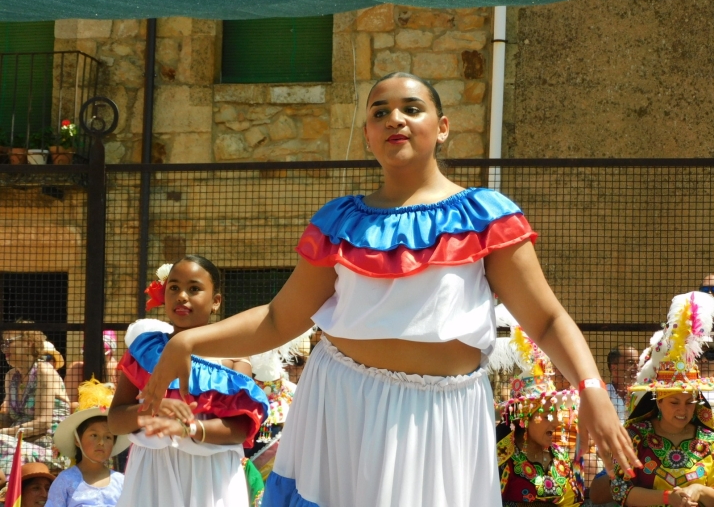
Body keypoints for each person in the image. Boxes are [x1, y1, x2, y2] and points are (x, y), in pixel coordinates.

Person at [138, 72, 640, 506]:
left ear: (442, 128)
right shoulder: (340, 221)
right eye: (380, 112)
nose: (394, 119)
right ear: (367, 135)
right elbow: (279, 319)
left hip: (443, 418)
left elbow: (548, 319)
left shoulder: (485, 216)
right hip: (342, 404)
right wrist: (187, 340)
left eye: (411, 108)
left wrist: (590, 387)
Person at [107, 256, 269, 507]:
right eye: (174, 287)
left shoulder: (234, 358)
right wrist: (152, 409)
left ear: (216, 301)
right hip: (151, 472)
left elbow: (239, 429)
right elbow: (115, 421)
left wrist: (189, 429)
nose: (182, 296)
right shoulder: (145, 350)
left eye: (194, 289)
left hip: (211, 478)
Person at [610, 291, 714, 506]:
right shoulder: (635, 437)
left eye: (689, 402)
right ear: (658, 401)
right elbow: (620, 491)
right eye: (674, 402)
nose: (683, 410)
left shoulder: (710, 440)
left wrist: (700, 490)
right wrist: (668, 498)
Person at [488, 314, 583, 506]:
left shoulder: (560, 457)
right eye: (548, 415)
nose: (556, 422)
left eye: (556, 413)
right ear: (524, 416)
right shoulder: (501, 456)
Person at [46, 379, 129, 507]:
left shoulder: (121, 482)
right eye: (94, 435)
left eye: (108, 437)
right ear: (77, 440)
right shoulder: (65, 480)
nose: (101, 442)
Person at [0, 330, 70, 474]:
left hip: (50, 448)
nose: (4, 348)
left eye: (9, 342)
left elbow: (43, 423)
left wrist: (4, 433)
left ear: (28, 343)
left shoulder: (44, 371)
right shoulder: (11, 376)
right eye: (3, 343)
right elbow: (9, 419)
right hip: (17, 443)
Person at [65, 331, 119, 409]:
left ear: (111, 352)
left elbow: (123, 406)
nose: (95, 357)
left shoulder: (119, 370)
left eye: (101, 353)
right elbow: (68, 404)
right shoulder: (76, 369)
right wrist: (92, 406)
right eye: (91, 351)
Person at [606, 345, 639, 423]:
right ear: (614, 368)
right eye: (630, 363)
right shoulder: (603, 394)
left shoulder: (643, 394)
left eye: (638, 362)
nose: (637, 367)